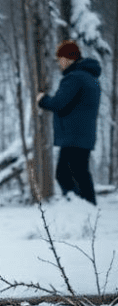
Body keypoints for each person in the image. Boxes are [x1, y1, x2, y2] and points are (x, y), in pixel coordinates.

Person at [37, 40, 101, 205]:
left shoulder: (74, 78)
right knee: (80, 174)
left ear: (67, 58)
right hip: (84, 136)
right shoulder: (91, 78)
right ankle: (87, 210)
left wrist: (42, 99)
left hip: (73, 137)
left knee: (64, 175)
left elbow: (58, 103)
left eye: (60, 59)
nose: (59, 63)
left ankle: (80, 210)